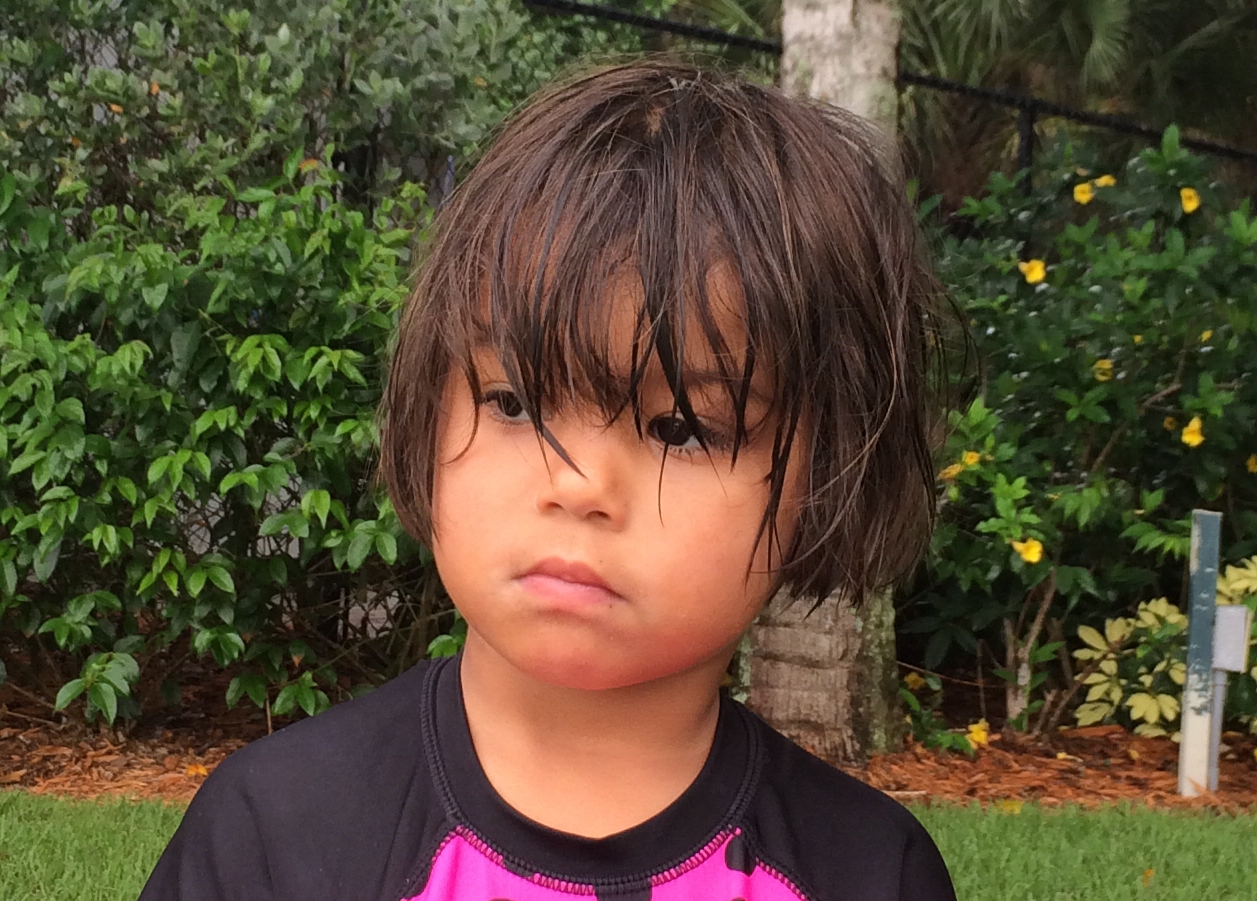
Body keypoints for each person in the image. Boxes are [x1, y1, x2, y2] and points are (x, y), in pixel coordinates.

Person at [140, 60, 957, 901]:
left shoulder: (868, 872)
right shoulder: (275, 832)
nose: (577, 483)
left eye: (680, 427)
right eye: (516, 402)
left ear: (827, 476)